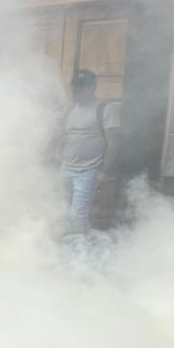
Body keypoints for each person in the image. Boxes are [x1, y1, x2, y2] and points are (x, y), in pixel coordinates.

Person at [60, 70, 120, 237]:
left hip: (87, 172)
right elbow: (65, 136)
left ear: (93, 87)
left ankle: (81, 255)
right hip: (66, 169)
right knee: (64, 212)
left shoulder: (105, 109)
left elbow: (113, 143)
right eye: (75, 89)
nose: (77, 92)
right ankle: (73, 247)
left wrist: (104, 171)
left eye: (81, 88)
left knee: (77, 215)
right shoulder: (71, 109)